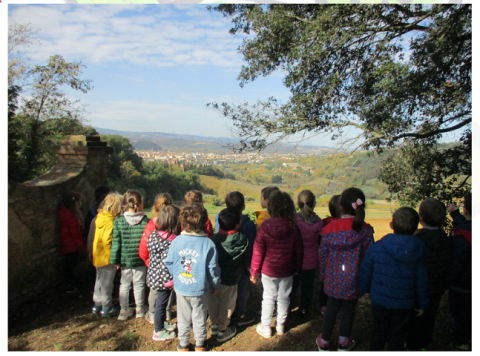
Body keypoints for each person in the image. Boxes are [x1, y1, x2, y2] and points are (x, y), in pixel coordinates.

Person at [359, 207, 429, 351]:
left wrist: (364, 290)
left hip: (380, 300)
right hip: (404, 303)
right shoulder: (419, 249)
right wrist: (422, 304)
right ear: (416, 229)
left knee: (378, 331)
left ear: (391, 225)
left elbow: (366, 271)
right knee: (398, 335)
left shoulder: (377, 247)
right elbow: (422, 279)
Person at [316, 187, 374, 351]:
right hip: (355, 279)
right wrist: (368, 283)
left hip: (333, 279)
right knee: (349, 309)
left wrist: (322, 276)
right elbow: (370, 257)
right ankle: (343, 340)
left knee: (331, 309)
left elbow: (324, 257)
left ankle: (325, 341)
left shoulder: (328, 230)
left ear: (340, 207)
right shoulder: (366, 230)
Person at [164, 203, 221, 351]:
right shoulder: (208, 244)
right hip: (200, 288)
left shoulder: (176, 241)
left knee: (183, 317)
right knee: (199, 316)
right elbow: (212, 269)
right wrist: (214, 284)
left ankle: (183, 345)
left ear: (182, 222)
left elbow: (169, 262)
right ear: (203, 222)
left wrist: (176, 276)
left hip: (182, 287)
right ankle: (200, 344)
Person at [250, 190, 303, 338]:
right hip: (287, 270)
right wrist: (297, 268)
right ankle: (280, 325)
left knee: (268, 297)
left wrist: (254, 271)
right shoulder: (293, 226)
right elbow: (299, 250)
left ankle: (266, 327)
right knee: (284, 297)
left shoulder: (265, 226)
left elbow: (258, 250)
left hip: (269, 271)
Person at [406, 198, 452, 351]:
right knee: (430, 316)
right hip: (437, 286)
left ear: (421, 219)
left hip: (417, 288)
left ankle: (412, 345)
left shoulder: (416, 240)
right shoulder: (447, 240)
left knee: (413, 318)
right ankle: (424, 343)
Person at [214, 191, 257, 327]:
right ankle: (240, 314)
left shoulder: (219, 217)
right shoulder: (248, 224)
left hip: (221, 263)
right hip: (242, 264)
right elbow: (251, 245)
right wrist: (250, 268)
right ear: (243, 206)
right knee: (243, 289)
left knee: (224, 291)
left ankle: (223, 316)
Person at [209, 208, 249, 343]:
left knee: (213, 302)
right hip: (232, 280)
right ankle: (222, 330)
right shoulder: (242, 239)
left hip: (214, 279)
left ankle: (214, 325)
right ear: (238, 224)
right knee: (227, 305)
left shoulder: (213, 240)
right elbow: (246, 260)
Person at [110, 190, 150, 321]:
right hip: (140, 259)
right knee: (139, 284)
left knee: (124, 285)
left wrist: (114, 260)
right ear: (139, 204)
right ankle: (139, 308)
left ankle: (124, 310)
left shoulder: (118, 222)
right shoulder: (146, 221)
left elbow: (116, 243)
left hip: (125, 260)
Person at [147, 205, 180, 342]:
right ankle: (158, 331)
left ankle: (160, 323)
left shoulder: (154, 235)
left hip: (154, 275)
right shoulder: (171, 241)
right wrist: (170, 281)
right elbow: (168, 265)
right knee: (161, 304)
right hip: (164, 279)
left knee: (160, 304)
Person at [139, 193, 173, 324]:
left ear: (155, 207)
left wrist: (148, 261)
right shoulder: (176, 224)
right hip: (170, 265)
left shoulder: (151, 224)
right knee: (168, 289)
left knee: (154, 290)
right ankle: (167, 312)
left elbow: (144, 247)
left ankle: (153, 313)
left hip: (153, 264)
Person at [289, 190, 324, 320]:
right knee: (307, 287)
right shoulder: (319, 222)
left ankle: (287, 307)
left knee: (292, 286)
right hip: (311, 260)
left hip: (294, 260)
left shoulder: (294, 220)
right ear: (314, 204)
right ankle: (304, 309)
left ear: (298, 204)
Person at [91, 193, 123, 317]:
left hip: (98, 257)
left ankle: (97, 303)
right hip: (107, 259)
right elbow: (107, 242)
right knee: (107, 284)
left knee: (98, 281)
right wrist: (114, 259)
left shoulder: (100, 219)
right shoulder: (110, 222)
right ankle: (106, 307)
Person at [446, 193, 472, 351]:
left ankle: (462, 342)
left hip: (462, 285)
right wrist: (455, 215)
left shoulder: (461, 237)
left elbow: (456, 263)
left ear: (466, 210)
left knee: (462, 315)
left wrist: (448, 281)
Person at [57, 191, 86, 293]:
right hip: (71, 247)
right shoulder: (71, 219)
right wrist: (84, 247)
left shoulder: (65, 214)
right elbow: (76, 236)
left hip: (67, 246)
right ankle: (70, 285)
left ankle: (72, 282)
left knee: (69, 266)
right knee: (70, 266)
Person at [317, 194, 341, 315]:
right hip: (343, 263)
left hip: (327, 260)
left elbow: (319, 241)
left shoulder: (325, 223)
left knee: (325, 284)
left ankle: (323, 305)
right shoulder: (350, 225)